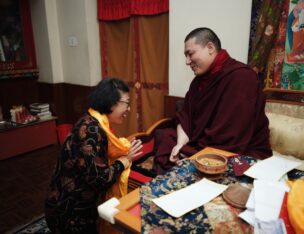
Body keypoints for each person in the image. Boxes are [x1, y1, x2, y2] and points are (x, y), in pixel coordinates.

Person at [153, 27, 272, 175]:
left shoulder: (241, 77)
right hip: (202, 142)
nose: (187, 61)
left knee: (187, 163)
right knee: (164, 136)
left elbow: (230, 137)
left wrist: (189, 153)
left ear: (210, 47)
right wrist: (180, 144)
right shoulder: (198, 82)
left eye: (190, 54)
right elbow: (185, 117)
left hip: (235, 149)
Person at [45, 78, 142, 233]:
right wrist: (125, 159)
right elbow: (99, 180)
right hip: (69, 212)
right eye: (127, 103)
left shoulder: (92, 121)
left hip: (77, 204)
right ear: (111, 103)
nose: (129, 109)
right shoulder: (92, 131)